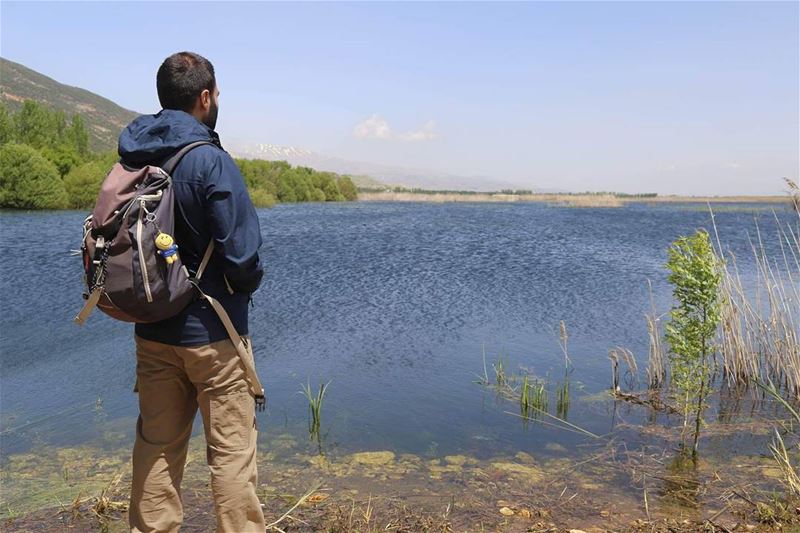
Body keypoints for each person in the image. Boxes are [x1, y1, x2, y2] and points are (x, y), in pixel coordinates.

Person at [117, 51, 266, 533]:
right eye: (217, 94)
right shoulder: (211, 161)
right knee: (230, 456)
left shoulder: (135, 156)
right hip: (214, 337)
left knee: (156, 448)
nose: (217, 100)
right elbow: (242, 258)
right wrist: (244, 288)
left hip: (152, 333)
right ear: (205, 98)